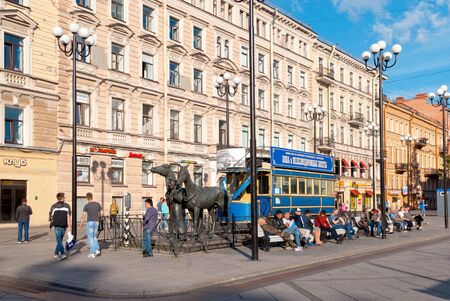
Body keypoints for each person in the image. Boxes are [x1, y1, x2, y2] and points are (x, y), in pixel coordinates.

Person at [49, 193, 71, 261]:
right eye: (64, 197)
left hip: (57, 225)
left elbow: (50, 217)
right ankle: (56, 253)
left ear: (57, 198)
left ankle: (62, 254)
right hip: (64, 225)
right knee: (60, 240)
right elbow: (68, 217)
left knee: (59, 241)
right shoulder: (67, 206)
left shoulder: (54, 206)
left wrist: (50, 220)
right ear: (63, 198)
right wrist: (69, 227)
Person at [79, 192, 103, 258]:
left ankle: (92, 253)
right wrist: (99, 217)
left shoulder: (86, 205)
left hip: (90, 222)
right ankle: (97, 249)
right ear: (92, 197)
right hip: (96, 222)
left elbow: (84, 216)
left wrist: (81, 224)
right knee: (94, 236)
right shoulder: (97, 204)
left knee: (90, 238)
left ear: (87, 198)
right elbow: (101, 212)